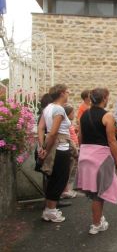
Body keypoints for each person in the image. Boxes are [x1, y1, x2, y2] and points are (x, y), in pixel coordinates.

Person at [77, 88, 117, 234]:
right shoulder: (107, 116)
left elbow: (80, 137)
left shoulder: (83, 115)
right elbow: (112, 140)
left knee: (95, 192)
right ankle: (96, 224)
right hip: (100, 157)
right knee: (99, 193)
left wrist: (82, 152)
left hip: (85, 155)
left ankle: (99, 219)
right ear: (104, 98)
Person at [37, 84, 73, 222]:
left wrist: (42, 146)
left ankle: (49, 209)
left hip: (52, 146)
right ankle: (51, 210)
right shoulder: (58, 109)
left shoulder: (47, 108)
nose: (68, 94)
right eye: (67, 92)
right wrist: (45, 148)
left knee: (54, 178)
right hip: (60, 148)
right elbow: (53, 133)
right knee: (60, 178)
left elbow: (41, 128)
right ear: (62, 93)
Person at [61, 104, 78, 199]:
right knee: (68, 170)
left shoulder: (69, 123)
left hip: (74, 147)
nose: (74, 114)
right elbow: (68, 138)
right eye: (72, 113)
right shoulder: (65, 124)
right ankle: (65, 190)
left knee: (72, 170)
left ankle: (67, 189)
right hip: (70, 149)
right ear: (68, 114)